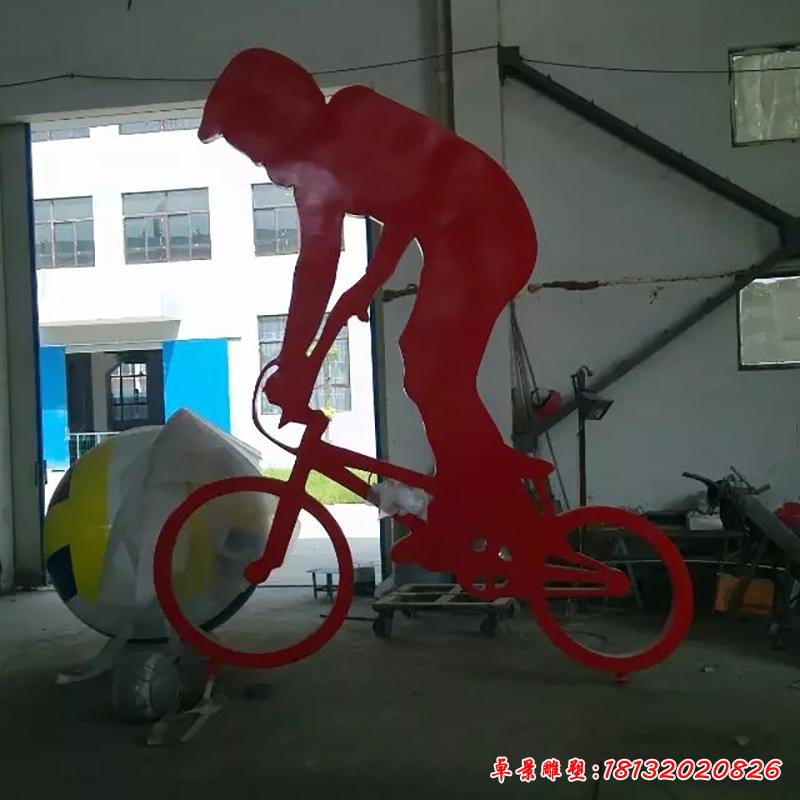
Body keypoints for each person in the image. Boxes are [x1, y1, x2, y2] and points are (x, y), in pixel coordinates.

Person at [198, 49, 541, 569]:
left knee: (431, 371)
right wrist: (358, 294)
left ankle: (495, 502)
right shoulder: (330, 152)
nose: (262, 166)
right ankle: (466, 507)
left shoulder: (349, 128)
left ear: (278, 120)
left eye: (258, 151)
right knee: (426, 367)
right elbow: (389, 214)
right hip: (462, 230)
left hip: (485, 228)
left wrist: (301, 354)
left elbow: (334, 255)